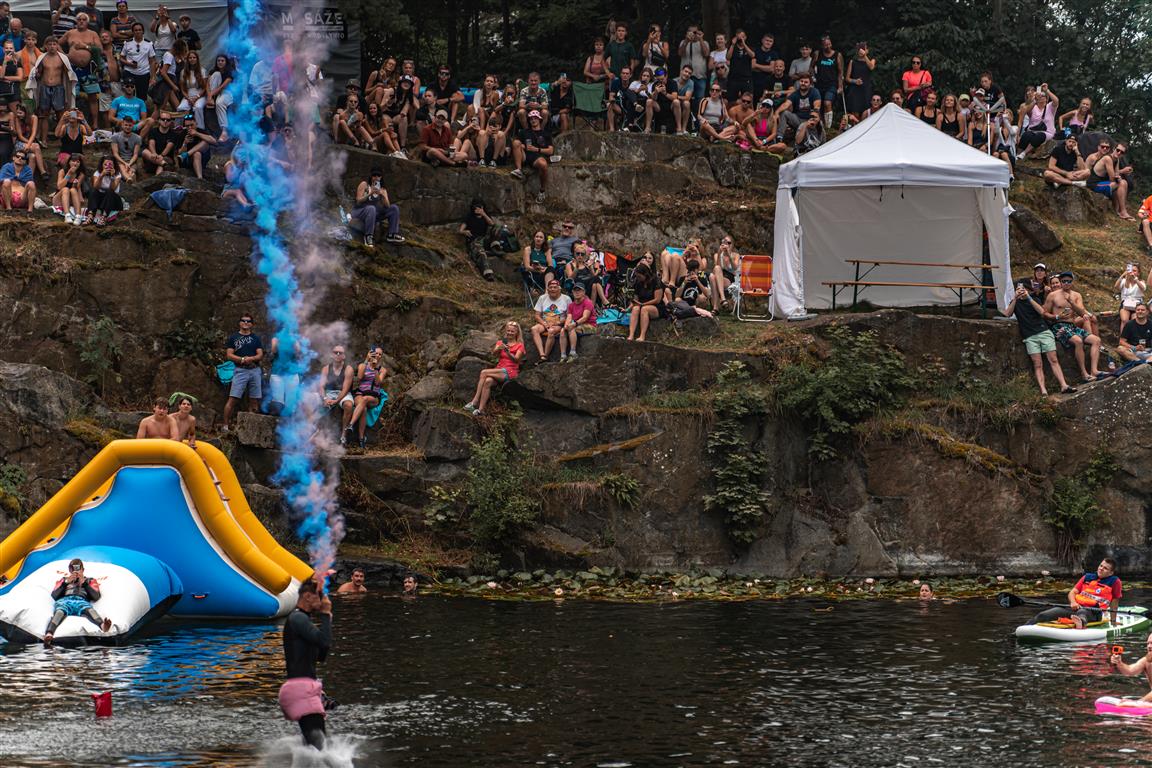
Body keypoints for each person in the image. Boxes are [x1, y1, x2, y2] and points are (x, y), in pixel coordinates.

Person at [278, 579, 332, 751]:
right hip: (300, 690)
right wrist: (325, 615)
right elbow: (324, 642)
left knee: (314, 744)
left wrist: (327, 620)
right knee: (319, 747)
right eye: (320, 596)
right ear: (308, 596)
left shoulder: (302, 621)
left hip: (306, 688)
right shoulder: (297, 618)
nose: (324, 600)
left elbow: (321, 656)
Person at [1001, 280, 1075, 396]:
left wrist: (1028, 298)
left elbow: (1042, 312)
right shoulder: (1015, 303)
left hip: (1044, 332)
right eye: (1018, 289)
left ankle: (1064, 385)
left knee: (1053, 360)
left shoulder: (1034, 299)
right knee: (1037, 364)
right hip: (1030, 336)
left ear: (1028, 290)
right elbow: (1007, 314)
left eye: (1023, 289)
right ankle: (1043, 390)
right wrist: (1015, 298)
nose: (1021, 292)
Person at [1027, 558, 1120, 630]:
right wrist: (1073, 602)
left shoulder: (1114, 582)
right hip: (1075, 608)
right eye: (1101, 566)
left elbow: (1114, 603)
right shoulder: (1087, 577)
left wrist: (1113, 622)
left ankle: (1080, 624)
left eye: (1105, 568)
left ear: (1111, 573)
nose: (1101, 569)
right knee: (1044, 615)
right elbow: (1073, 592)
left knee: (1082, 613)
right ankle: (1024, 628)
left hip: (1094, 612)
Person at [1044, 272, 1102, 382]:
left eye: (1069, 281)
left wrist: (1071, 302)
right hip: (1059, 325)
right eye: (1064, 281)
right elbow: (1044, 313)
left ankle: (1094, 370)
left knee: (1096, 340)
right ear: (1060, 282)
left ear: (1072, 282)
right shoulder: (1053, 295)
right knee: (1078, 341)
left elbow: (1081, 312)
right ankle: (1084, 373)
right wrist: (1057, 316)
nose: (1066, 283)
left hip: (1072, 325)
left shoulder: (1076, 295)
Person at [43, 558, 112, 645]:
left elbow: (96, 596)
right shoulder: (63, 580)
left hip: (81, 601)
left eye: (78, 569)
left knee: (89, 610)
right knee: (59, 611)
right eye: (73, 569)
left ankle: (103, 626)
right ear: (69, 570)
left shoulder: (90, 580)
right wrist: (66, 583)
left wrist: (84, 583)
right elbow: (54, 595)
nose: (75, 572)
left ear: (83, 570)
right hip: (65, 601)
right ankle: (49, 633)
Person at [463, 320, 525, 417]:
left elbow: (517, 360)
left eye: (512, 331)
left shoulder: (519, 345)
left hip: (510, 371)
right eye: (508, 331)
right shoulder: (501, 342)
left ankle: (474, 401)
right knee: (487, 381)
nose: (510, 333)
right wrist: (498, 348)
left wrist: (508, 352)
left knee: (484, 372)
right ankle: (481, 410)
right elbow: (494, 354)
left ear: (517, 333)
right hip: (499, 369)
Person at [222, 314, 263, 432]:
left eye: (248, 321)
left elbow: (260, 354)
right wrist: (242, 360)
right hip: (240, 370)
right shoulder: (233, 338)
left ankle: (251, 428)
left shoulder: (255, 338)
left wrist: (251, 358)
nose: (246, 323)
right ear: (239, 323)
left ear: (251, 324)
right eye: (243, 321)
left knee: (254, 399)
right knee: (233, 398)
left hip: (254, 370)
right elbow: (229, 355)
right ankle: (225, 426)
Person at [351, 167, 404, 247]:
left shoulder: (382, 189)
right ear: (371, 176)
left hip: (373, 213)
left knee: (394, 208)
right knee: (371, 208)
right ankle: (368, 236)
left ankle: (392, 234)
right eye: (374, 175)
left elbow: (387, 206)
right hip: (360, 211)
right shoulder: (364, 185)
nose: (376, 177)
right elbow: (358, 201)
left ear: (381, 177)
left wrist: (382, 196)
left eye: (378, 175)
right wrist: (370, 193)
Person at [347, 345, 387, 450]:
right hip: (360, 394)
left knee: (365, 400)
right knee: (363, 407)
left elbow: (378, 382)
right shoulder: (362, 365)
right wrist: (366, 360)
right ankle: (361, 438)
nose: (377, 355)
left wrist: (375, 369)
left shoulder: (382, 369)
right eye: (375, 353)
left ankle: (350, 424)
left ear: (381, 356)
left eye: (380, 354)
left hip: (373, 397)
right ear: (371, 354)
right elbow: (360, 377)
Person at [510, 109, 552, 204]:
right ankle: (519, 170)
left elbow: (550, 150)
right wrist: (522, 146)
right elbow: (517, 144)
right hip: (525, 155)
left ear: (539, 120)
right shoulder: (524, 132)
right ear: (529, 120)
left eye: (535, 118)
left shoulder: (545, 133)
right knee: (516, 142)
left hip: (537, 156)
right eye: (531, 119)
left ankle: (542, 190)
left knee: (543, 164)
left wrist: (537, 149)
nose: (533, 120)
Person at [1086, 140, 1133, 220]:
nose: (1119, 153)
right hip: (1094, 184)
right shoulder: (1108, 158)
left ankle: (1118, 210)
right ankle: (1122, 211)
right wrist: (1120, 176)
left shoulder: (1116, 160)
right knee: (1122, 183)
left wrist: (1119, 176)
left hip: (1103, 183)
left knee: (1123, 182)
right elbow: (1112, 178)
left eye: (1121, 152)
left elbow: (1116, 174)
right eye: (1118, 150)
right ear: (1114, 149)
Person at [318, 345, 355, 437]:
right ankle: (315, 433)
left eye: (340, 353)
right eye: (335, 352)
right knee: (312, 401)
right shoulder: (326, 369)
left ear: (344, 356)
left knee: (349, 405)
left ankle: (343, 434)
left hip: (343, 393)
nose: (338, 354)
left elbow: (345, 389)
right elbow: (321, 387)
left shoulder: (348, 369)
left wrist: (336, 401)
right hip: (329, 393)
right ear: (331, 355)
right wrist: (325, 398)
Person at [530, 279, 571, 361]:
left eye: (555, 287)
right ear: (547, 289)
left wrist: (558, 322)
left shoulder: (566, 299)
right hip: (545, 322)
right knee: (534, 329)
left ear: (559, 289)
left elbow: (569, 316)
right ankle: (541, 354)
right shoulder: (542, 298)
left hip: (558, 324)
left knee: (551, 331)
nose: (552, 289)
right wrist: (544, 323)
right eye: (550, 288)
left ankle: (545, 355)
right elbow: (537, 315)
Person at [627, 262, 666, 342]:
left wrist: (643, 304)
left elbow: (657, 299)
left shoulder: (656, 281)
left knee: (644, 309)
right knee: (635, 309)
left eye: (639, 276)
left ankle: (642, 335)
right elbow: (636, 300)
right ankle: (631, 335)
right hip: (642, 304)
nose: (638, 278)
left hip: (656, 306)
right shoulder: (638, 283)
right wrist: (628, 309)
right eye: (637, 276)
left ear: (645, 274)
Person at [1109, 633, 1152, 701]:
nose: (1149, 646)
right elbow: (1130, 671)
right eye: (1148, 643)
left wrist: (1138, 703)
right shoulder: (1146, 660)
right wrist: (1119, 663)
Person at [563, 282, 596, 362]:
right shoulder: (571, 305)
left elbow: (585, 317)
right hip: (577, 325)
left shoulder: (588, 302)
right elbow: (569, 317)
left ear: (584, 292)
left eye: (579, 290)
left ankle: (573, 353)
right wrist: (566, 325)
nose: (577, 292)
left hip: (590, 325)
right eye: (575, 290)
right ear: (572, 292)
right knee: (563, 331)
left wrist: (574, 324)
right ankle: (563, 355)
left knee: (572, 329)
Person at [842, 42, 873, 119]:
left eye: (863, 49)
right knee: (855, 113)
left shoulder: (871, 60)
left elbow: (871, 67)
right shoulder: (853, 62)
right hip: (855, 90)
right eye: (860, 49)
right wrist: (855, 81)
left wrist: (865, 55)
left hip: (866, 90)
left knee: (866, 113)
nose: (861, 51)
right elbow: (847, 78)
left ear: (867, 50)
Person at [1115, 263, 1146, 333]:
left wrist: (1135, 279)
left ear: (1138, 273)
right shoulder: (1124, 281)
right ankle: (1122, 339)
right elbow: (1116, 286)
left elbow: (1143, 288)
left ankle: (1133, 340)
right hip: (1126, 304)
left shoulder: (1141, 282)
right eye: (1131, 270)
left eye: (1135, 271)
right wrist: (1123, 275)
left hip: (1137, 304)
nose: (1132, 272)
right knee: (1125, 320)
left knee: (1135, 321)